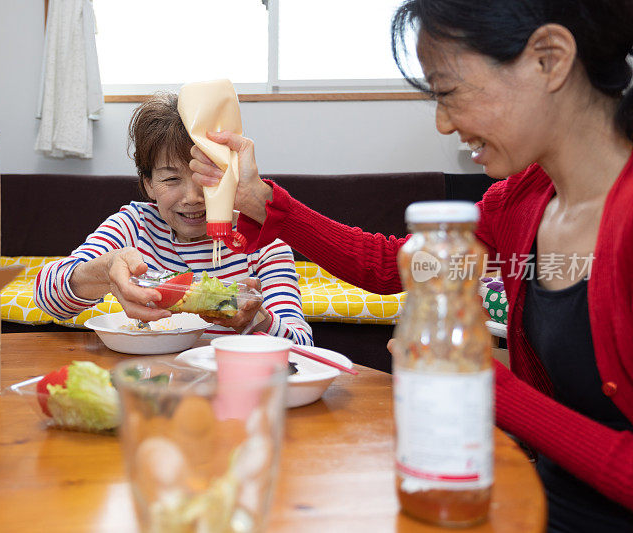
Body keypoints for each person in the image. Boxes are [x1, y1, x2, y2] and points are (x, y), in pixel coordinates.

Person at [187, 1, 633, 529]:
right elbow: (387, 265)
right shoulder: (521, 202)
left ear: (549, 59)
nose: (444, 123)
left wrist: (491, 390)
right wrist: (260, 200)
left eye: (447, 92)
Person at [34, 92, 312, 344]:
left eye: (207, 176)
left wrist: (254, 318)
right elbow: (47, 297)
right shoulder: (134, 225)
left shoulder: (265, 241)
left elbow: (301, 344)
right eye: (171, 178)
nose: (192, 197)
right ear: (148, 185)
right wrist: (104, 269)